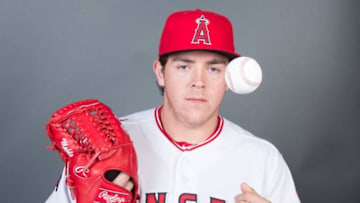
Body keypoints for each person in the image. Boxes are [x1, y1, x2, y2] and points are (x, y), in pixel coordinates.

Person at [46, 9, 301, 203]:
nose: (198, 82)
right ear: (160, 72)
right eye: (183, 66)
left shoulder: (263, 159)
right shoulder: (106, 146)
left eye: (213, 68)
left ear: (229, 79)